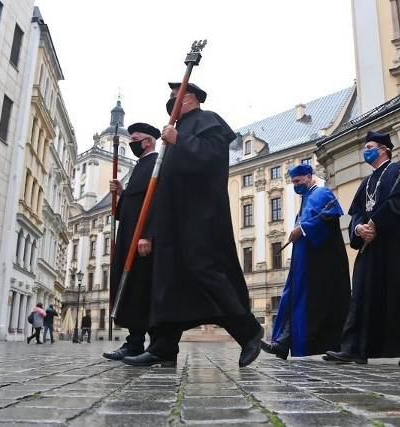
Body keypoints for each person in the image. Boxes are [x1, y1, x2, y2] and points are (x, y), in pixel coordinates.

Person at [122, 82, 263, 368]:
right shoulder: (176, 131)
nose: (170, 101)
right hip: (172, 219)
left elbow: (213, 158)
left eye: (175, 96)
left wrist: (179, 140)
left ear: (189, 97)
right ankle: (163, 346)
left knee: (204, 272)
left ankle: (248, 331)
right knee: (169, 280)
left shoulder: (206, 120)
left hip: (199, 215)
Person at [324, 131, 400, 366]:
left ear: (383, 149)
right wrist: (359, 228)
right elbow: (357, 212)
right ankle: (355, 348)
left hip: (396, 245)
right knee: (361, 295)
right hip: (371, 245)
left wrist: (375, 224)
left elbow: (399, 203)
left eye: (369, 146)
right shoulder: (366, 182)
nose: (365, 150)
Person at [104, 122, 182, 363]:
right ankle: (134, 342)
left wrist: (147, 234)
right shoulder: (139, 167)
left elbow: (158, 202)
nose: (132, 144)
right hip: (129, 238)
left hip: (145, 241)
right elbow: (126, 210)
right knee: (131, 290)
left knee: (144, 290)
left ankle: (156, 344)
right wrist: (120, 194)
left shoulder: (157, 163)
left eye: (135, 139)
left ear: (147, 141)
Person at [261, 164, 350, 360]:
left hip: (319, 265)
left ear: (309, 178)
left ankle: (285, 343)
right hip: (303, 265)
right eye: (292, 182)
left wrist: (302, 229)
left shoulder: (322, 194)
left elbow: (327, 219)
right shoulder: (306, 199)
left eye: (298, 181)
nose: (295, 185)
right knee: (294, 301)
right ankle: (283, 343)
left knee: (306, 305)